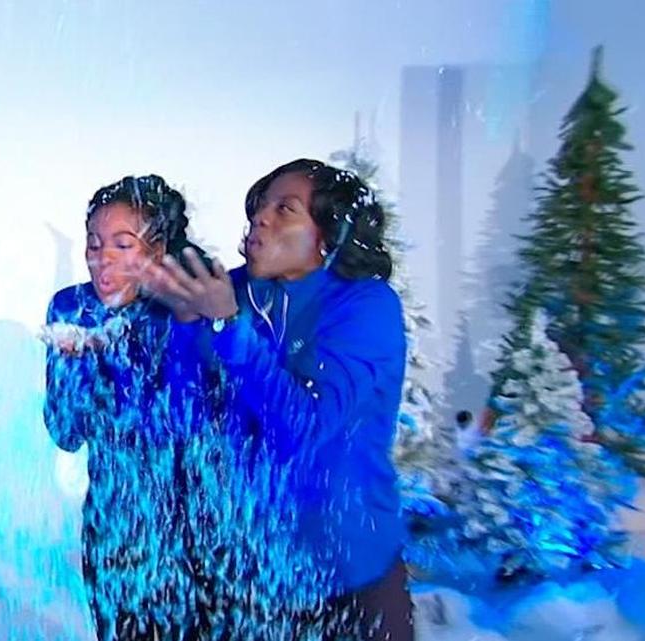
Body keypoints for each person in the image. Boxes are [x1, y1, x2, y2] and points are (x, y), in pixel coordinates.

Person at [143, 159, 414, 640]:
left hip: (347, 577)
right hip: (250, 576)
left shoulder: (366, 306)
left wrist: (227, 328)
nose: (259, 219)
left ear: (330, 233)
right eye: (259, 207)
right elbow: (186, 416)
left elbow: (306, 429)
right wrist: (185, 327)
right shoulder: (233, 291)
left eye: (284, 209)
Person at [42, 175, 213, 641]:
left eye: (123, 244)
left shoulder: (183, 314)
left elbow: (180, 424)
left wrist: (114, 353)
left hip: (188, 538)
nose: (103, 260)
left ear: (158, 253)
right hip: (112, 533)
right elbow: (64, 430)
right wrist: (74, 364)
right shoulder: (71, 307)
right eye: (94, 245)